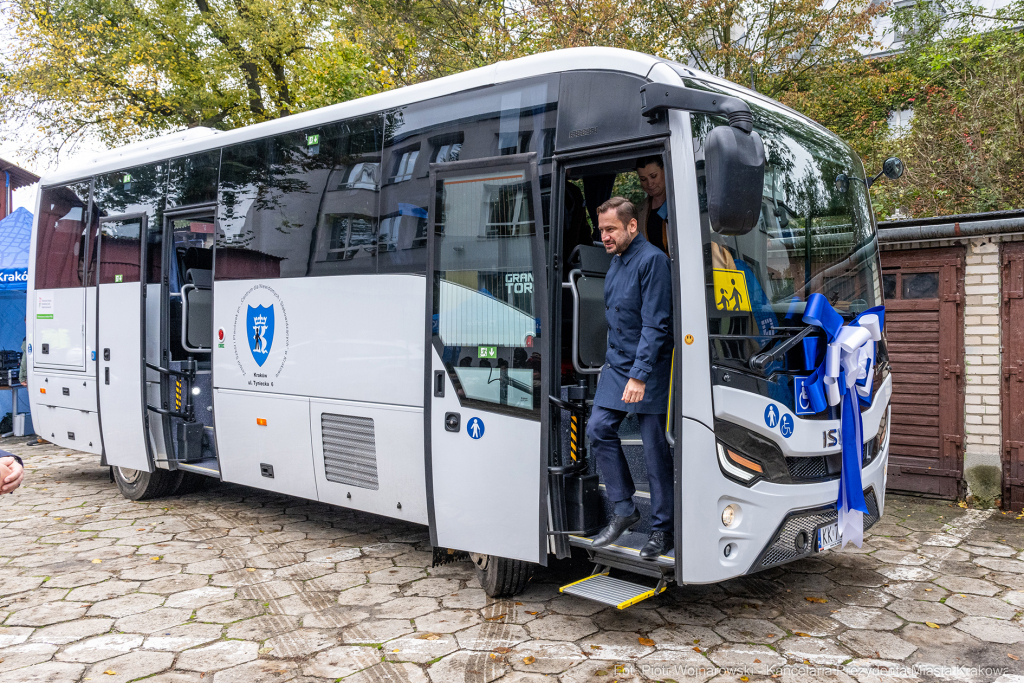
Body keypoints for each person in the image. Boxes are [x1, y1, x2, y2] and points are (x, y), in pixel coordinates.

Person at [586, 196, 674, 559]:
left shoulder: (653, 261)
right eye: (602, 229)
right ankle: (624, 509)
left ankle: (662, 530)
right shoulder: (617, 262)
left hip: (649, 368)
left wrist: (638, 376)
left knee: (654, 451)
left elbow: (656, 325)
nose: (604, 236)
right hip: (618, 365)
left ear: (632, 226)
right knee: (598, 429)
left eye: (611, 229)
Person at [635, 156, 669, 255]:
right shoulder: (639, 211)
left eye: (653, 176)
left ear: (664, 170)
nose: (649, 184)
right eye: (643, 179)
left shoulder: (680, 200)